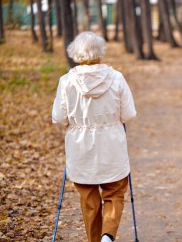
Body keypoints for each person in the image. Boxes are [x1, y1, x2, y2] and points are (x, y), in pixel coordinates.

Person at [52, 31, 136, 242]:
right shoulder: (116, 78)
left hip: (81, 147)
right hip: (111, 145)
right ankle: (107, 236)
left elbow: (59, 117)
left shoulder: (66, 81)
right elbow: (129, 114)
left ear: (75, 54)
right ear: (100, 52)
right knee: (114, 192)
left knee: (89, 200)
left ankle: (95, 240)